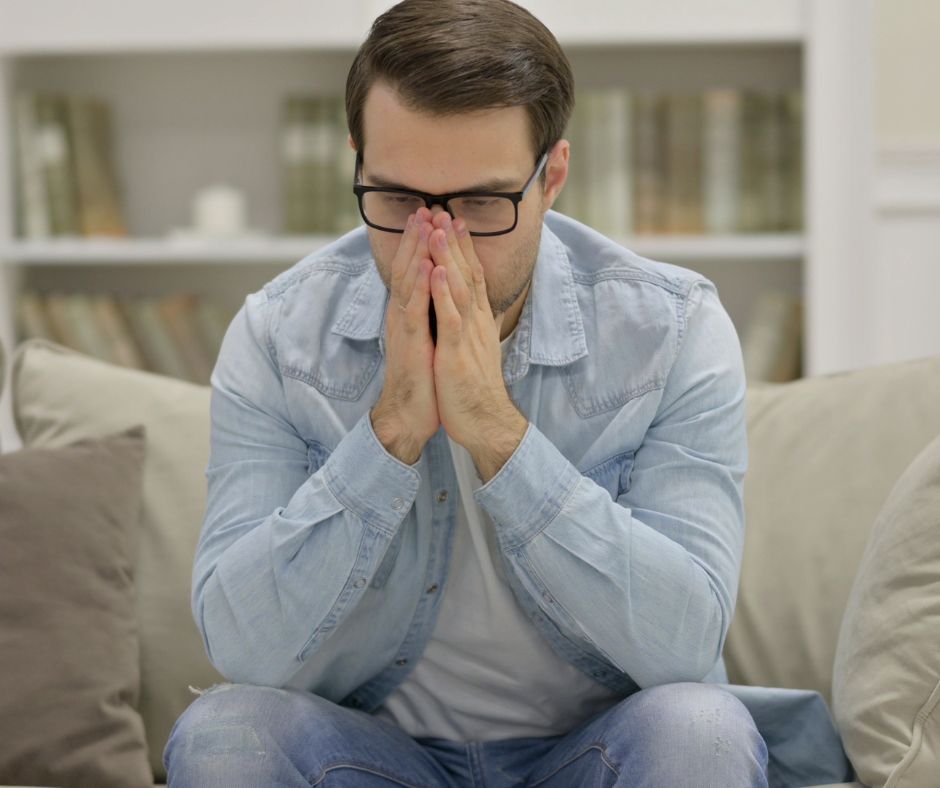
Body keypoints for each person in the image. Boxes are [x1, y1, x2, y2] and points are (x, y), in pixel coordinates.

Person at [163, 1, 854, 785]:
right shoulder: (278, 336)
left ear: (551, 177)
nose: (435, 243)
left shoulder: (671, 329)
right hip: (371, 755)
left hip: (598, 751)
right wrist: (388, 433)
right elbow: (241, 646)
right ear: (356, 161)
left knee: (699, 726)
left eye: (482, 205)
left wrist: (499, 435)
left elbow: (685, 643)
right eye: (395, 200)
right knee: (225, 732)